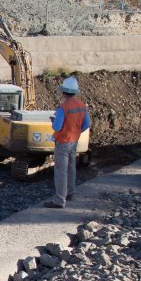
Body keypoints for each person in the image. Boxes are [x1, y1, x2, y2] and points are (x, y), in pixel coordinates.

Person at [45, 76, 91, 209]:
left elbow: (57, 127)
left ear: (63, 92)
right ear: (75, 92)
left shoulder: (63, 107)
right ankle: (71, 193)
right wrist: (76, 132)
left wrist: (53, 122)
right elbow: (86, 124)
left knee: (61, 171)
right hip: (74, 141)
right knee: (71, 167)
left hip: (63, 142)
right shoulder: (82, 106)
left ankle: (59, 200)